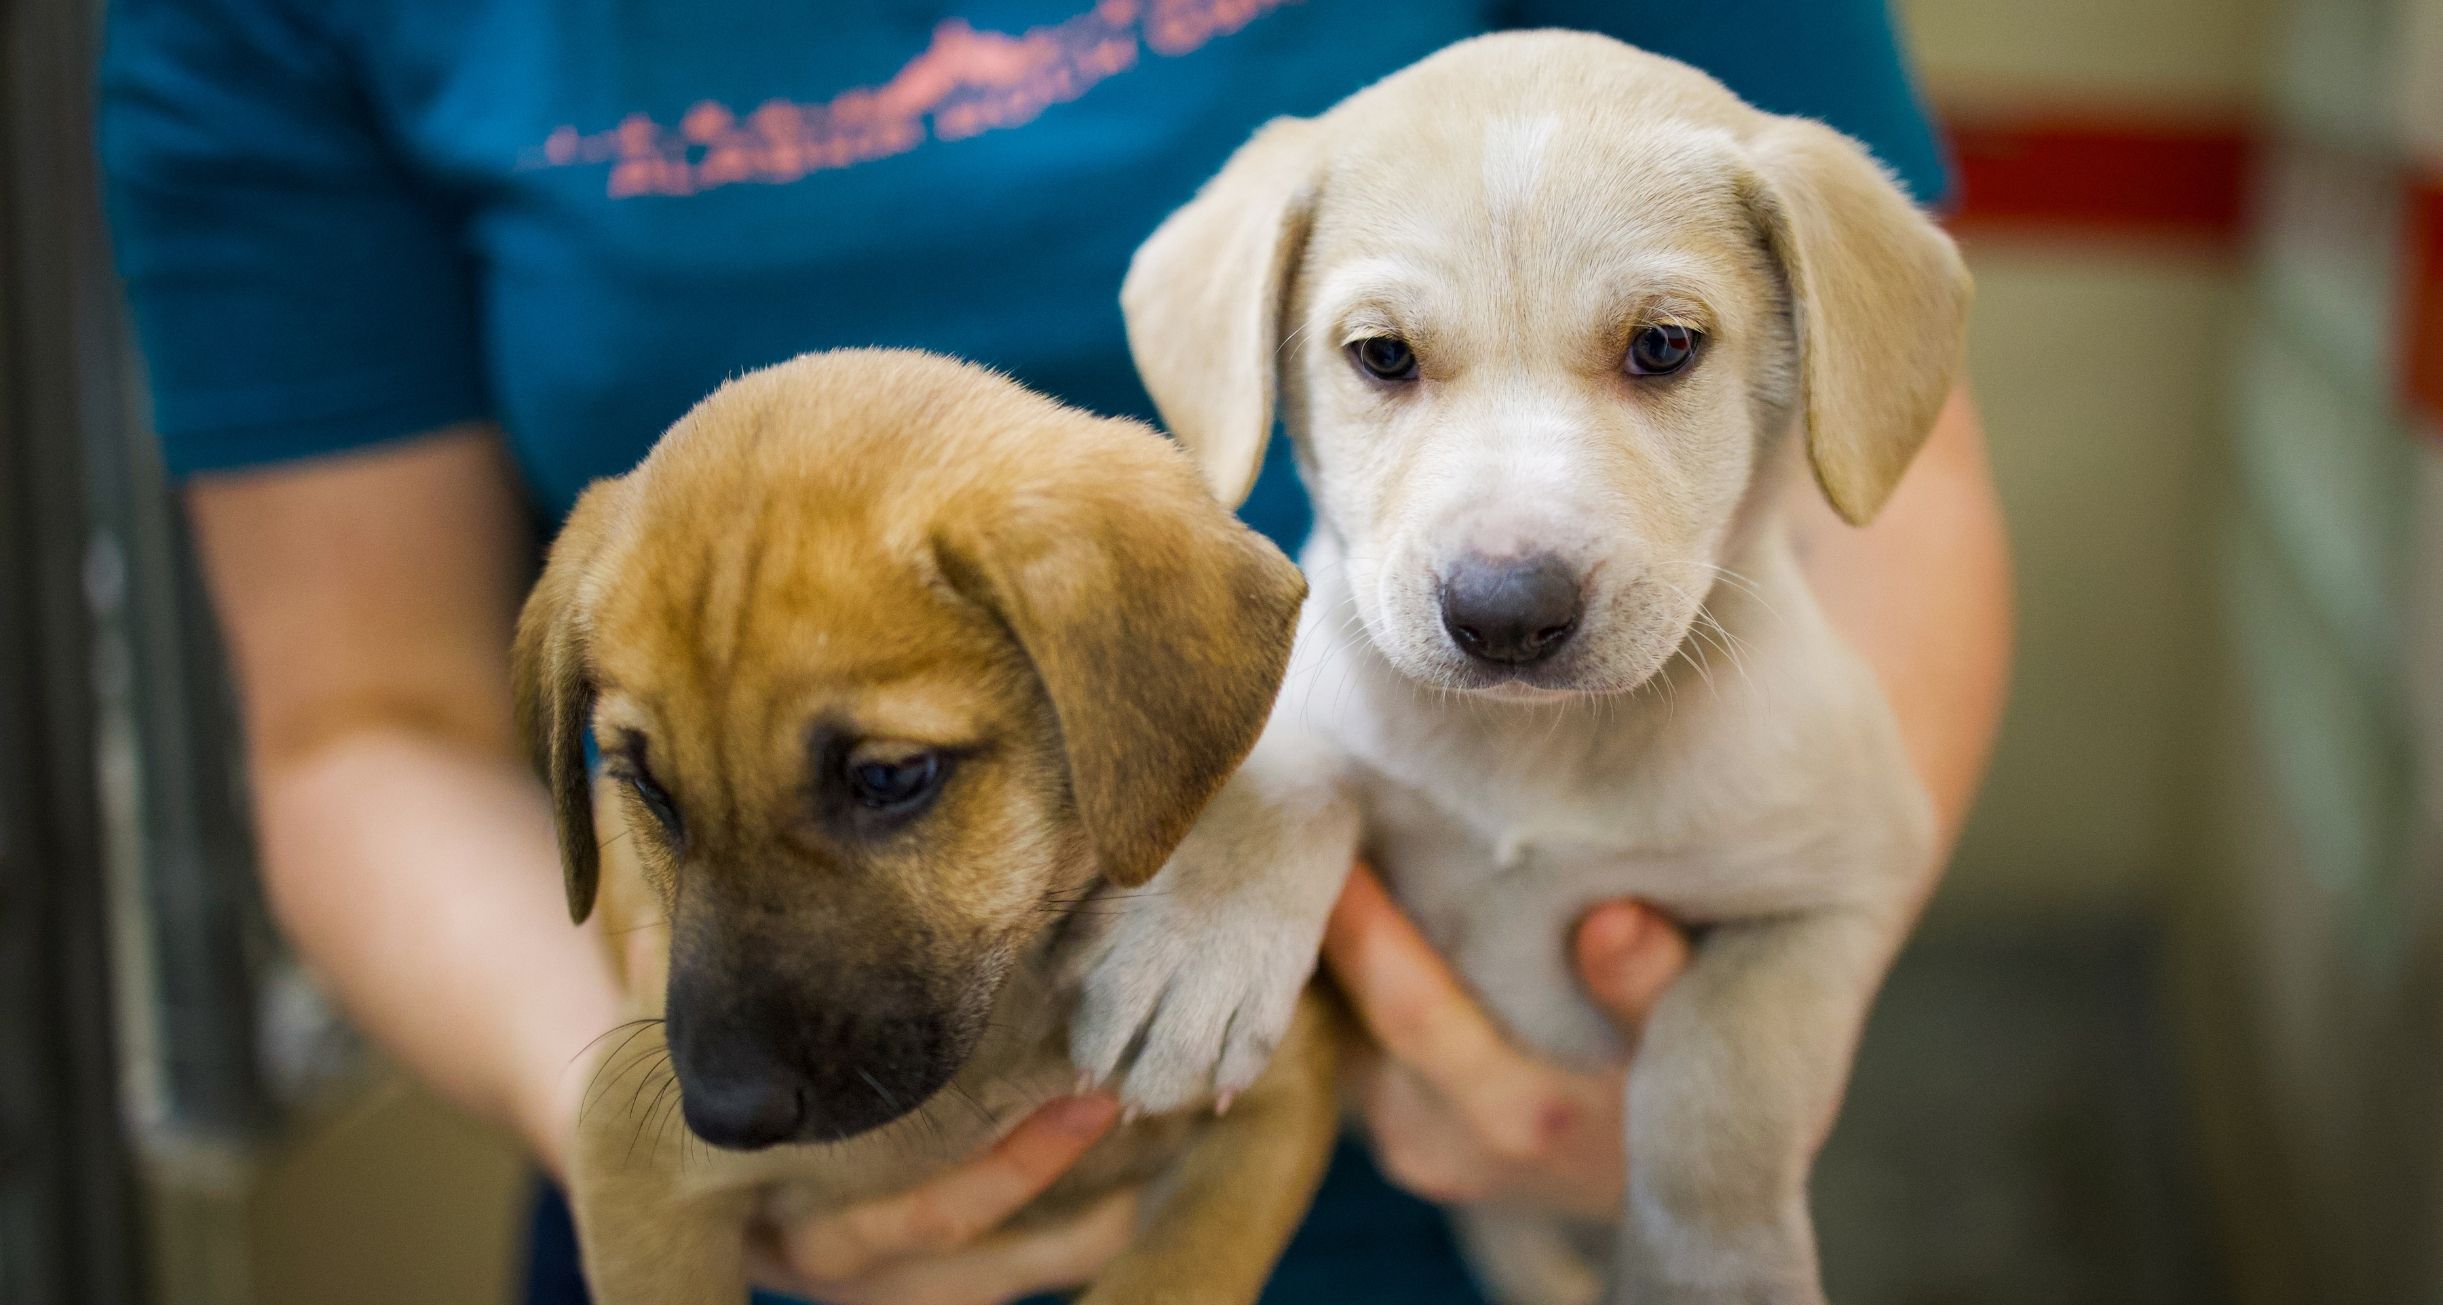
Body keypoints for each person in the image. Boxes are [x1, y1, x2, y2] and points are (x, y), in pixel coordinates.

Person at [98, 1, 2012, 1301]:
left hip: (1425, 1224)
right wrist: (669, 1134)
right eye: (1386, 354)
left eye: (1654, 348)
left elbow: (1884, 471)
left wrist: (1697, 1086)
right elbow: (365, 715)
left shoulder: (1284, 631)